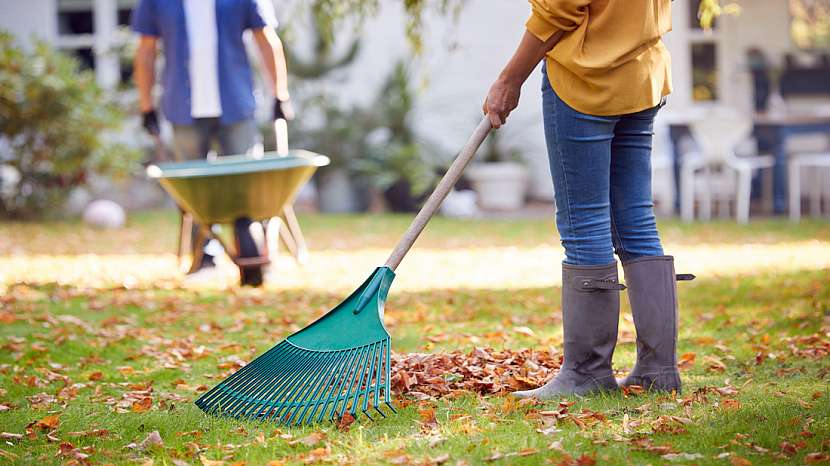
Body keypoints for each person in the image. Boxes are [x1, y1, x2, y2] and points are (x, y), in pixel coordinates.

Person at [483, 0, 694, 397]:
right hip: (642, 75)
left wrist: (509, 79)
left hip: (586, 81)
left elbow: (558, 10)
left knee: (585, 224)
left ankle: (587, 373)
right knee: (636, 220)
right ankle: (658, 369)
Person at [132, 0, 293, 283]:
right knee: (195, 192)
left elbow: (266, 39)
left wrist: (280, 94)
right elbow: (146, 49)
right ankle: (205, 257)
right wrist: (146, 105)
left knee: (249, 185)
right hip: (183, 108)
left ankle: (254, 253)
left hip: (236, 104)